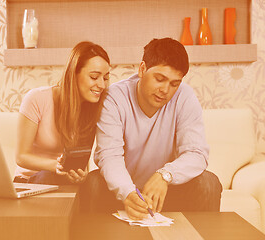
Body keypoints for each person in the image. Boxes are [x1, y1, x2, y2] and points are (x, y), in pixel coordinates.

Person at [81, 38, 222, 219]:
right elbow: (109, 156)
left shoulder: (185, 97)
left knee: (208, 183)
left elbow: (196, 153)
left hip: (165, 193)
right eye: (160, 79)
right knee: (92, 183)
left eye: (174, 84)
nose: (165, 90)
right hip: (124, 192)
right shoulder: (114, 98)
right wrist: (127, 192)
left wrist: (165, 175)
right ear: (142, 69)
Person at [14, 41, 110, 185]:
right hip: (29, 182)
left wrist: (80, 176)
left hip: (63, 182)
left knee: (95, 182)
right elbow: (21, 156)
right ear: (74, 74)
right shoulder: (37, 98)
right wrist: (55, 166)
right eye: (94, 77)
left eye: (106, 78)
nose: (102, 85)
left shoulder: (94, 109)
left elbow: (82, 162)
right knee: (47, 177)